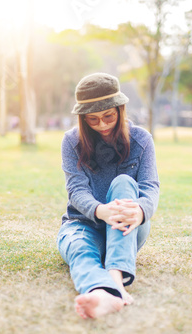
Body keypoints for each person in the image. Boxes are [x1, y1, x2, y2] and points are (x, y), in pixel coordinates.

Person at [57, 73, 160, 319]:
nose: (102, 125)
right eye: (92, 119)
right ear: (83, 118)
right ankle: (100, 292)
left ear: (120, 109)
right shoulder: (71, 141)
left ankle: (115, 278)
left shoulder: (141, 139)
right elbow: (76, 190)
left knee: (124, 182)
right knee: (80, 250)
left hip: (128, 227)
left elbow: (150, 186)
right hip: (84, 224)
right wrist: (100, 211)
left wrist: (141, 210)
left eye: (108, 116)